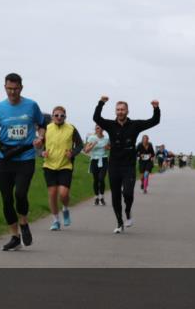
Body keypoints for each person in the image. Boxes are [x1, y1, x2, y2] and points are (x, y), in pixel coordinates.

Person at [0, 73, 49, 251]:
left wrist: (40, 137)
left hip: (25, 157)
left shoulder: (31, 105)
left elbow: (42, 124)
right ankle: (14, 236)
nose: (12, 92)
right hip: (5, 158)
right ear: (4, 87)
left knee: (20, 193)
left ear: (21, 88)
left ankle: (24, 222)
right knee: (6, 199)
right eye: (9, 89)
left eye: (15, 89)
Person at [93, 97, 161, 234]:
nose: (120, 112)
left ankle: (128, 211)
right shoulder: (110, 125)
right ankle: (119, 222)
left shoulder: (135, 125)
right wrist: (101, 103)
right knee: (115, 196)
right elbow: (96, 117)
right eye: (118, 110)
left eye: (122, 109)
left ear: (127, 111)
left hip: (129, 166)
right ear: (115, 111)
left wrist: (156, 108)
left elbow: (154, 121)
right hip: (114, 166)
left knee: (128, 193)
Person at [39, 106, 84, 230]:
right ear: (52, 116)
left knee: (63, 194)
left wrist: (73, 153)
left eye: (61, 115)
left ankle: (65, 209)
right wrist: (41, 153)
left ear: (65, 117)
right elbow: (38, 145)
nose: (59, 117)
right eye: (56, 115)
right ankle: (55, 220)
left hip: (65, 165)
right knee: (52, 194)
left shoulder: (71, 129)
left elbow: (80, 145)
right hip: (49, 165)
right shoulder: (46, 129)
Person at [83, 125, 110, 205]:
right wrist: (93, 145)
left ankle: (102, 197)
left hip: (104, 159)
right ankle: (96, 197)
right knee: (96, 180)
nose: (99, 129)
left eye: (101, 128)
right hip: (94, 160)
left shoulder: (106, 139)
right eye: (97, 128)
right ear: (95, 129)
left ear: (103, 129)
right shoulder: (92, 138)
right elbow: (86, 151)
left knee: (101, 179)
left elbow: (110, 148)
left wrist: (107, 148)